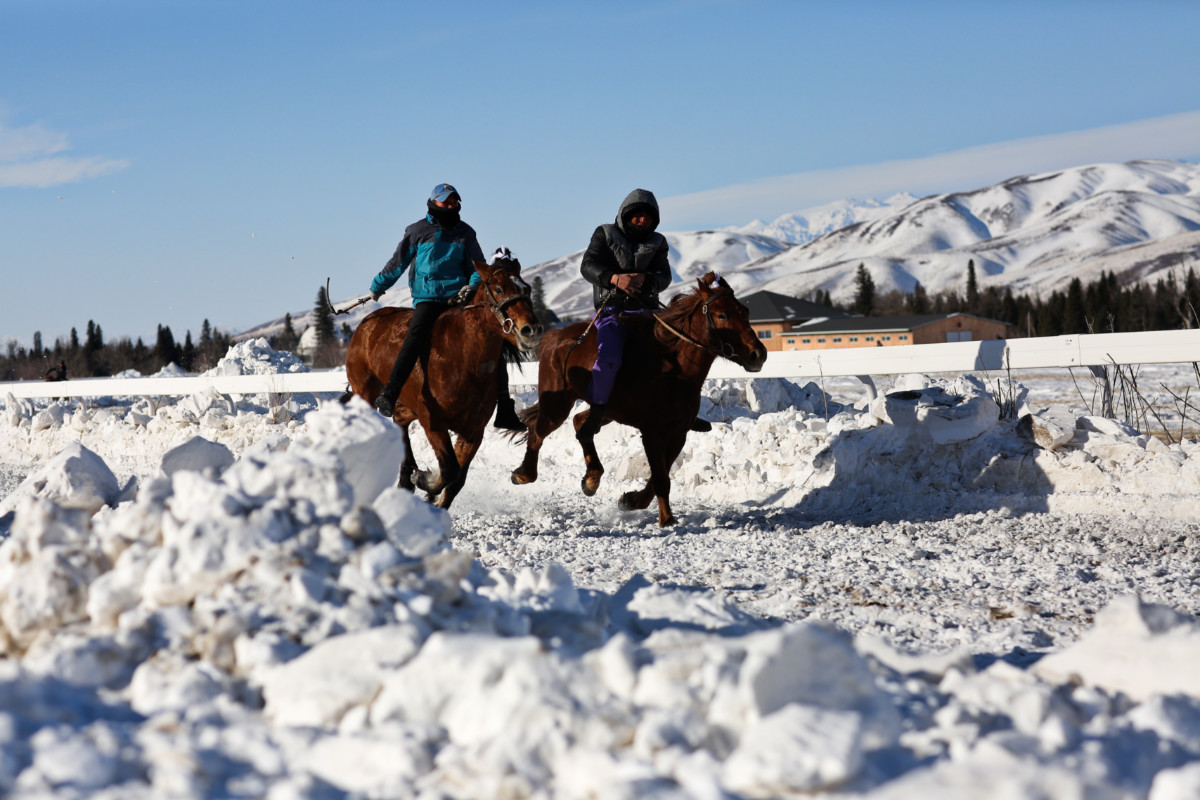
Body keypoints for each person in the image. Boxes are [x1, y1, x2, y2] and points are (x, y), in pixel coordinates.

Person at [369, 183, 523, 430]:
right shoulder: (417, 231)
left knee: (494, 339)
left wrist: (470, 288)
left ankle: (504, 407)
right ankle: (390, 393)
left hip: (459, 299)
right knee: (415, 336)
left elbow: (478, 268)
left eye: (454, 202)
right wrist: (378, 286)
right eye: (446, 201)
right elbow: (398, 263)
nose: (451, 206)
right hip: (428, 299)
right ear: (434, 202)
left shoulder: (466, 233)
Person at [575, 188, 675, 439]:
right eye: (637, 215)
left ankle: (681, 409)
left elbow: (665, 277)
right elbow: (588, 266)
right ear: (625, 215)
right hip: (612, 308)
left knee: (678, 354)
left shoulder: (658, 241)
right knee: (608, 358)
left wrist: (647, 280)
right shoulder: (604, 233)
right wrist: (614, 278)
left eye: (648, 216)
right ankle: (597, 411)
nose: (643, 220)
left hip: (648, 310)